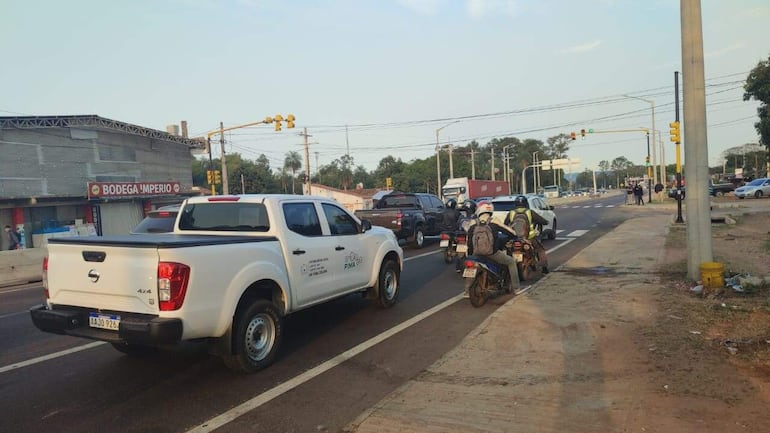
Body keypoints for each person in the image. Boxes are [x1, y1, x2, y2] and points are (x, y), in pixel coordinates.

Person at [466, 202, 521, 292]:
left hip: (476, 253)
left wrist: (471, 254)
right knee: (511, 262)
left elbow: (469, 240)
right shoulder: (494, 221)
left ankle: (467, 291)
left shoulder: (473, 223)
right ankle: (516, 288)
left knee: (471, 267)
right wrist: (514, 235)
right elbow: (510, 232)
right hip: (492, 253)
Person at [504, 195, 549, 274]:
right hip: (529, 238)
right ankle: (544, 268)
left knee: (508, 251)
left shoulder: (511, 213)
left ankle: (507, 270)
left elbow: (505, 223)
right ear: (526, 203)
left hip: (514, 238)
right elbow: (542, 221)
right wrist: (546, 222)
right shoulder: (529, 212)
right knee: (540, 250)